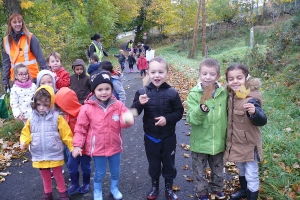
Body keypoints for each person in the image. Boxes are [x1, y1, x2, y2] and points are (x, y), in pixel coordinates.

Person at [72, 71, 134, 200]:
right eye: (100, 89)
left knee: (115, 171)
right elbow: (81, 128)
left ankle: (114, 188)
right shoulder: (87, 108)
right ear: (94, 90)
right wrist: (77, 145)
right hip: (98, 148)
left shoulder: (118, 105)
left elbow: (125, 120)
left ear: (112, 89)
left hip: (115, 145)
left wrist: (127, 120)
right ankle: (98, 190)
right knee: (99, 173)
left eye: (107, 89)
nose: (104, 92)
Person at [130, 57, 184, 200]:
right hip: (151, 137)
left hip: (168, 136)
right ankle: (154, 186)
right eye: (153, 72)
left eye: (161, 72)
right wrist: (139, 104)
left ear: (167, 74)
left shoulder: (172, 93)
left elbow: (179, 112)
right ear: (148, 73)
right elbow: (133, 114)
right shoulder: (142, 91)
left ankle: (168, 186)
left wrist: (167, 119)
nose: (157, 75)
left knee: (169, 163)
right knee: (153, 163)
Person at [19, 85, 74, 200]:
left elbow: (66, 133)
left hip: (54, 152)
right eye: (39, 104)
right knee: (45, 176)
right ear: (35, 103)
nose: (42, 108)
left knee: (58, 175)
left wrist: (72, 147)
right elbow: (26, 132)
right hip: (39, 154)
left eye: (45, 104)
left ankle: (62, 192)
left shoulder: (57, 118)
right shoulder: (31, 118)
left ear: (51, 102)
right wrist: (24, 142)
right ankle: (47, 193)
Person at [186, 58, 227, 200]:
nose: (208, 77)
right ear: (199, 74)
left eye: (212, 74)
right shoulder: (194, 94)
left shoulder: (224, 93)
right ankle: (201, 191)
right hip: (200, 142)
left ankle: (218, 188)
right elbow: (191, 118)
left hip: (218, 141)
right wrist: (201, 110)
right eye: (204, 74)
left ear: (218, 76)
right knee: (199, 170)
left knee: (218, 169)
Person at [224, 63, 267, 200]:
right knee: (241, 169)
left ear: (246, 78)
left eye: (239, 77)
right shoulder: (231, 95)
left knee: (251, 173)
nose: (235, 81)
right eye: (231, 79)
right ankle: (243, 190)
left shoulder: (251, 97)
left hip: (249, 143)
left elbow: (262, 120)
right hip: (237, 141)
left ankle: (251, 196)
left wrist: (255, 113)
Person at [55, 87, 91, 195]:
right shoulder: (66, 116)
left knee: (86, 166)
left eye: (62, 107)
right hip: (72, 148)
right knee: (71, 165)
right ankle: (75, 184)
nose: (61, 110)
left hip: (84, 148)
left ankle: (86, 183)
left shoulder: (83, 113)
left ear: (69, 104)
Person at [2, 13, 48, 88]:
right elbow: (6, 63)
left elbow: (40, 57)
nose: (18, 24)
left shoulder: (30, 37)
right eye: (15, 22)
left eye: (19, 22)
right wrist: (5, 80)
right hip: (16, 79)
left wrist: (47, 72)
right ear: (10, 24)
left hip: (32, 77)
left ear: (22, 23)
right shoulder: (6, 40)